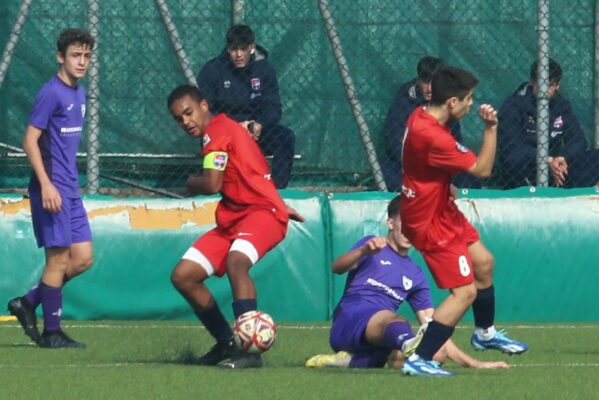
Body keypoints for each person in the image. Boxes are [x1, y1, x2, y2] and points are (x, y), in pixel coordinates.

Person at [399, 66, 528, 376]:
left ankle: (484, 334)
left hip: (440, 207)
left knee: (483, 262)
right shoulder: (432, 135)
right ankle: (421, 359)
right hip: (429, 220)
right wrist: (490, 128)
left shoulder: (422, 115)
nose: (472, 104)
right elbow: (483, 169)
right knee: (464, 293)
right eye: (468, 99)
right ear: (452, 103)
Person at [167, 84, 304, 369]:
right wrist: (277, 200)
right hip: (235, 216)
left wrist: (190, 183)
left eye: (188, 113)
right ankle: (227, 343)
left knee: (236, 262)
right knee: (184, 275)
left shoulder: (216, 131)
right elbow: (252, 170)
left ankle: (249, 351)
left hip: (261, 214)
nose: (185, 122)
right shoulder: (222, 129)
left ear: (204, 105)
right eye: (178, 119)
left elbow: (211, 183)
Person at [305, 196, 509, 371]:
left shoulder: (416, 274)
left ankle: (349, 361)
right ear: (390, 223)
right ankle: (409, 350)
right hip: (349, 322)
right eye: (406, 222)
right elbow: (336, 267)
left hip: (380, 337)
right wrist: (363, 251)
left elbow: (434, 326)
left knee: (437, 353)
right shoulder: (372, 245)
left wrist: (473, 364)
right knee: (395, 322)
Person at [7, 28, 96, 348]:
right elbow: (30, 140)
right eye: (76, 55)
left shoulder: (80, 92)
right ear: (61, 57)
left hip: (70, 189)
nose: (82, 61)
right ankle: (52, 332)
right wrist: (45, 185)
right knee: (57, 261)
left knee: (83, 258)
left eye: (86, 56)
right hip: (50, 189)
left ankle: (28, 302)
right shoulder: (51, 93)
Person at [196, 24, 295, 189]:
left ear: (252, 48)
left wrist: (259, 125)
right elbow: (206, 112)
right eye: (234, 49)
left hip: (255, 131)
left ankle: (276, 191)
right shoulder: (212, 70)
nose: (238, 54)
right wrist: (233, 127)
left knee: (286, 137)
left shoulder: (265, 70)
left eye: (243, 49)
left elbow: (274, 108)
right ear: (228, 49)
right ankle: (219, 187)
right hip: (224, 133)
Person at [498, 58, 599, 188]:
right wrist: (546, 160)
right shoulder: (514, 105)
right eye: (541, 84)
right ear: (532, 82)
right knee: (514, 159)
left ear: (557, 85)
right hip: (528, 168)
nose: (545, 89)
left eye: (550, 85)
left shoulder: (561, 105)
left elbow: (578, 141)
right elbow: (512, 148)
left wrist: (562, 158)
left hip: (556, 168)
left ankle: (565, 193)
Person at [382, 56, 480, 191]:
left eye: (434, 83)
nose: (429, 88)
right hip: (410, 162)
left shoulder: (449, 101)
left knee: (470, 176)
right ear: (418, 80)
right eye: (425, 82)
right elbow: (394, 143)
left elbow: (456, 140)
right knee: (389, 174)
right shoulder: (404, 102)